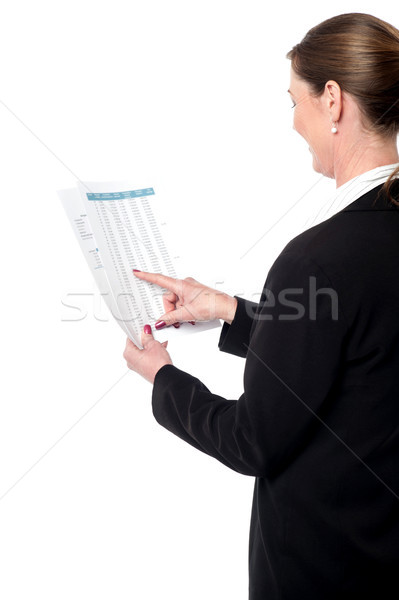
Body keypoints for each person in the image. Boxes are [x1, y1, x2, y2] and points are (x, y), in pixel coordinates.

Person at [123, 13, 399, 599]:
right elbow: (356, 357)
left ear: (332, 101)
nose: (293, 121)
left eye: (294, 100)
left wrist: (163, 379)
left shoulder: (318, 258)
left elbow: (252, 439)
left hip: (322, 571)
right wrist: (230, 310)